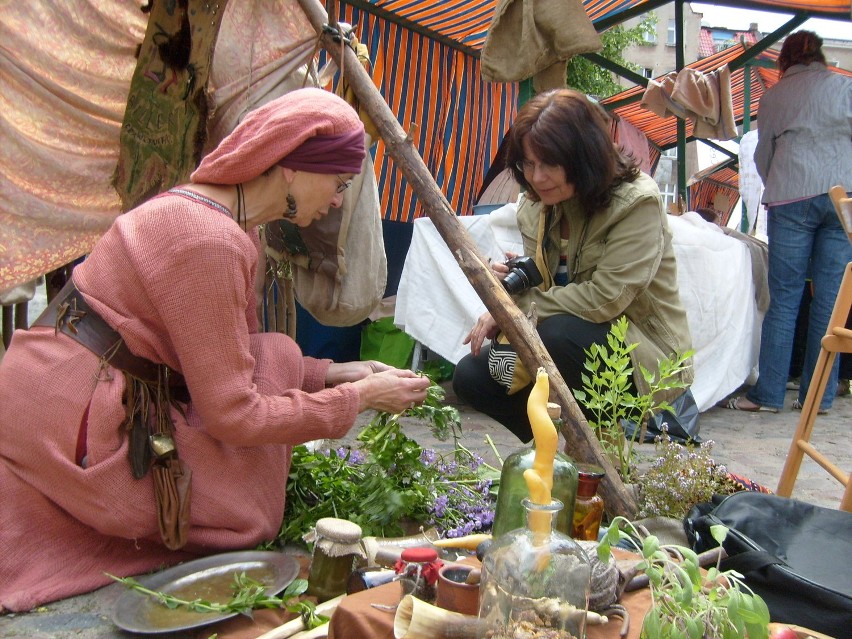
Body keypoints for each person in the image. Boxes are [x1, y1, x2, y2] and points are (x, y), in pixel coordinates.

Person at [0, 88, 431, 612]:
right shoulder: (208, 240)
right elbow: (235, 414)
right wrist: (358, 400)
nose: (338, 201)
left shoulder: (229, 226)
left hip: (75, 381)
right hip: (67, 417)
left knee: (272, 356)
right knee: (247, 511)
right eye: (339, 183)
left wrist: (338, 372)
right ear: (292, 168)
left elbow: (239, 355)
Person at [452, 89, 693, 442]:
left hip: (646, 360)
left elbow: (605, 297)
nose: (537, 177)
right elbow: (549, 278)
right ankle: (553, 445)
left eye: (550, 163)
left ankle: (595, 449)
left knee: (556, 335)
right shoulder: (536, 205)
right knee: (473, 375)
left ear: (583, 157)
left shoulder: (636, 202)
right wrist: (515, 282)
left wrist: (514, 309)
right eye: (528, 164)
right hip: (572, 341)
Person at [724, 31, 852, 413]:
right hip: (841, 197)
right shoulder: (845, 88)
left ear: (785, 61)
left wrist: (776, 181)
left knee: (785, 299)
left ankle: (769, 396)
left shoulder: (775, 96)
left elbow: (764, 154)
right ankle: (819, 398)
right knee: (830, 304)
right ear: (820, 57)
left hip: (791, 197)